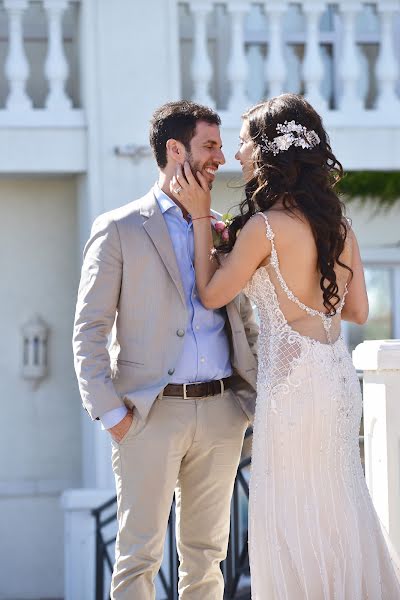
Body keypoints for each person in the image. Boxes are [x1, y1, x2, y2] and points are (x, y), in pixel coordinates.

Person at [171, 93, 400, 599]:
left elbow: (210, 293)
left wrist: (201, 217)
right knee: (341, 503)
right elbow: (358, 311)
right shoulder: (339, 228)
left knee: (292, 512)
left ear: (271, 150)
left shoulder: (264, 229)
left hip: (292, 389)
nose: (237, 154)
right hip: (336, 381)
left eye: (245, 142)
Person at [72, 100, 258, 599]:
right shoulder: (119, 229)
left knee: (207, 559)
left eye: (222, 146)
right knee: (138, 559)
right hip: (149, 414)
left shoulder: (222, 230)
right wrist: (113, 415)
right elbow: (89, 330)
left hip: (221, 412)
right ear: (176, 150)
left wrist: (248, 404)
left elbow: (243, 320)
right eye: (210, 146)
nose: (222, 158)